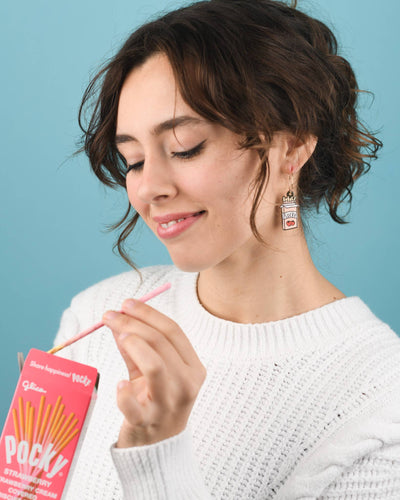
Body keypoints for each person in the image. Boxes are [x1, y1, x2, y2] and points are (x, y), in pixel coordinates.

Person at [53, 0, 400, 498]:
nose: (149, 187)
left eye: (184, 147)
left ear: (293, 146)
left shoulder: (381, 400)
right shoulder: (94, 319)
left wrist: (157, 453)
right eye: (132, 159)